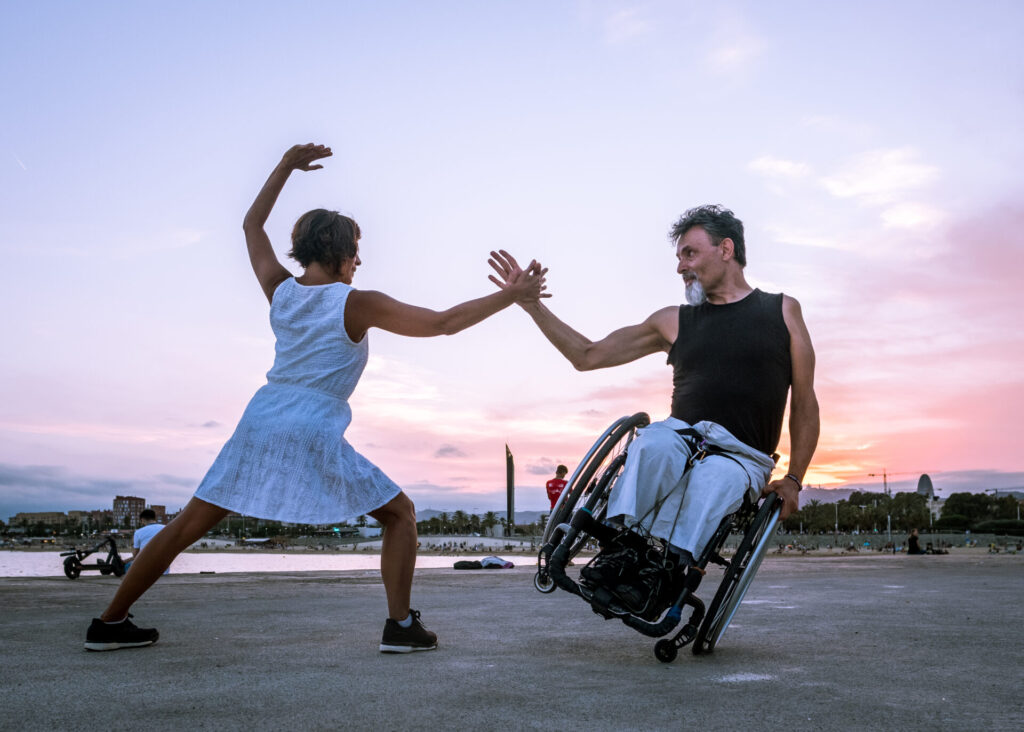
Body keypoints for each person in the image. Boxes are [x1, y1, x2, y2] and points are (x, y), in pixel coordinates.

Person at [84, 143, 547, 653]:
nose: (359, 260)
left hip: (260, 418)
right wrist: (512, 295)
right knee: (399, 514)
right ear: (339, 253)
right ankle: (400, 626)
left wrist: (284, 167)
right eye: (356, 250)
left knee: (186, 526)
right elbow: (441, 324)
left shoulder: (281, 291)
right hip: (308, 427)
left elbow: (251, 228)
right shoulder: (355, 303)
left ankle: (109, 621)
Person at [489, 205, 819, 602]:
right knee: (652, 443)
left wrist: (795, 478)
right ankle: (623, 551)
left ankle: (668, 570)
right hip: (682, 435)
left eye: (689, 253)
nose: (680, 266)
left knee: (715, 479)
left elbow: (804, 400)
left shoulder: (782, 311)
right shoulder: (673, 320)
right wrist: (531, 305)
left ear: (726, 249)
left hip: (743, 455)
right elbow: (587, 355)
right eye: (679, 257)